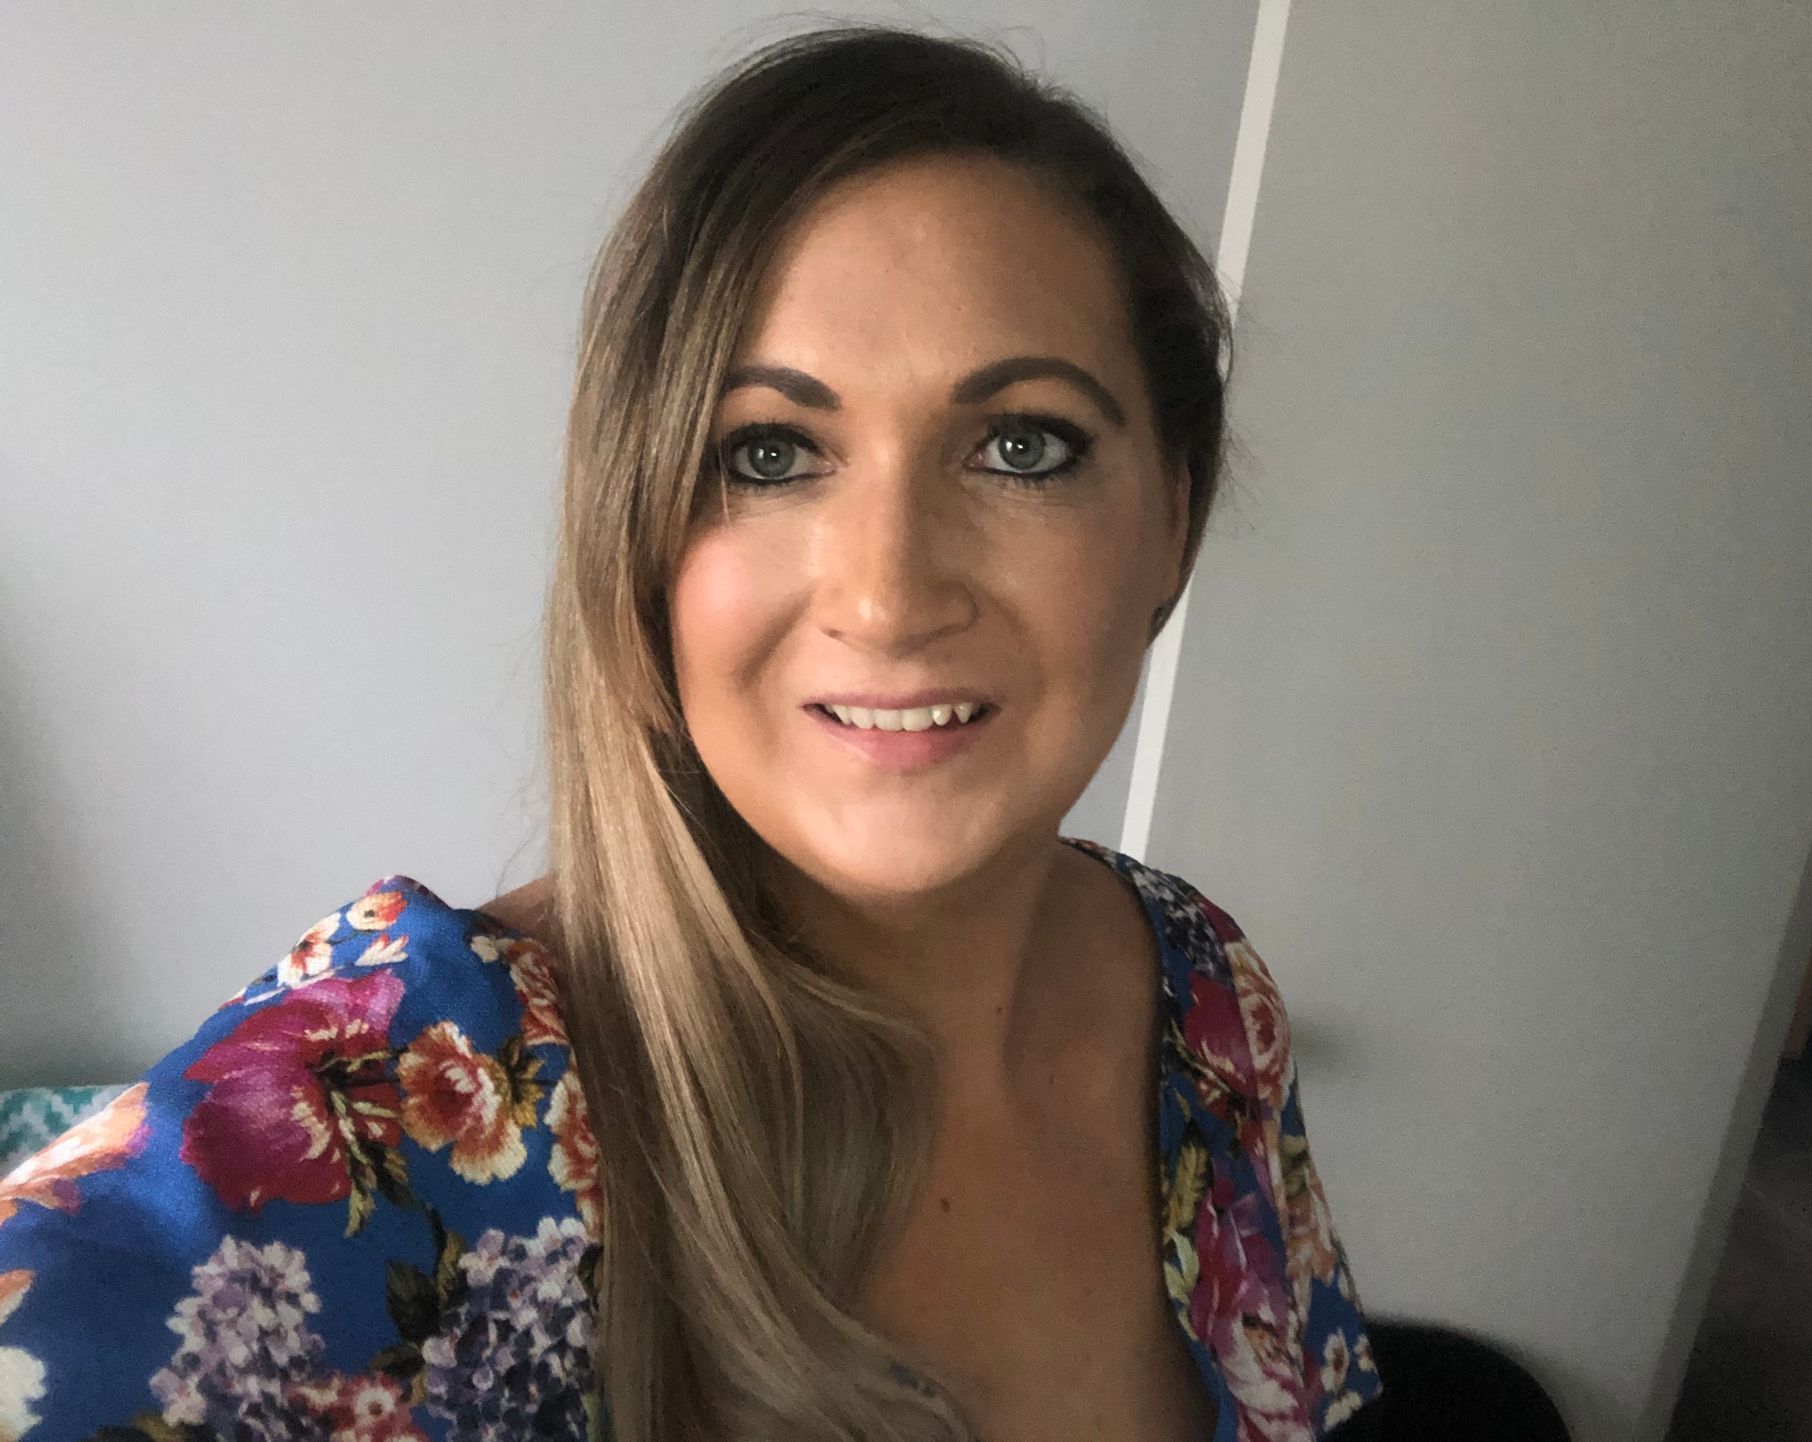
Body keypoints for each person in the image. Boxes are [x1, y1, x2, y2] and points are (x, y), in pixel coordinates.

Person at [0, 24, 1383, 1442]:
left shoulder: (1208, 1001)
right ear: (636, 534)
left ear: (1172, 517)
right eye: (768, 454)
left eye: (1021, 445)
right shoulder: (418, 1096)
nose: (891, 593)